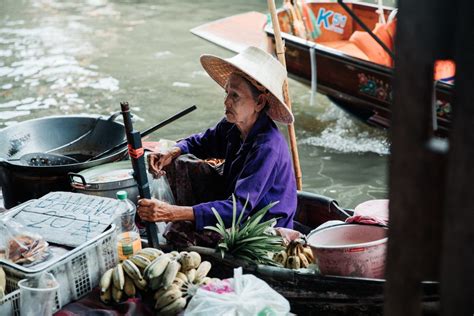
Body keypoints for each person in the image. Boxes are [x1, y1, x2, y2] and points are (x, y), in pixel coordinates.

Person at [137, 46, 297, 233]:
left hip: (262, 229)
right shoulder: (232, 125)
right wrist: (172, 151)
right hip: (235, 213)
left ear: (259, 102)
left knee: (178, 233)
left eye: (235, 96)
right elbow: (200, 142)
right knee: (181, 159)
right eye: (227, 93)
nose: (226, 101)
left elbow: (238, 209)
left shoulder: (267, 147)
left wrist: (171, 213)